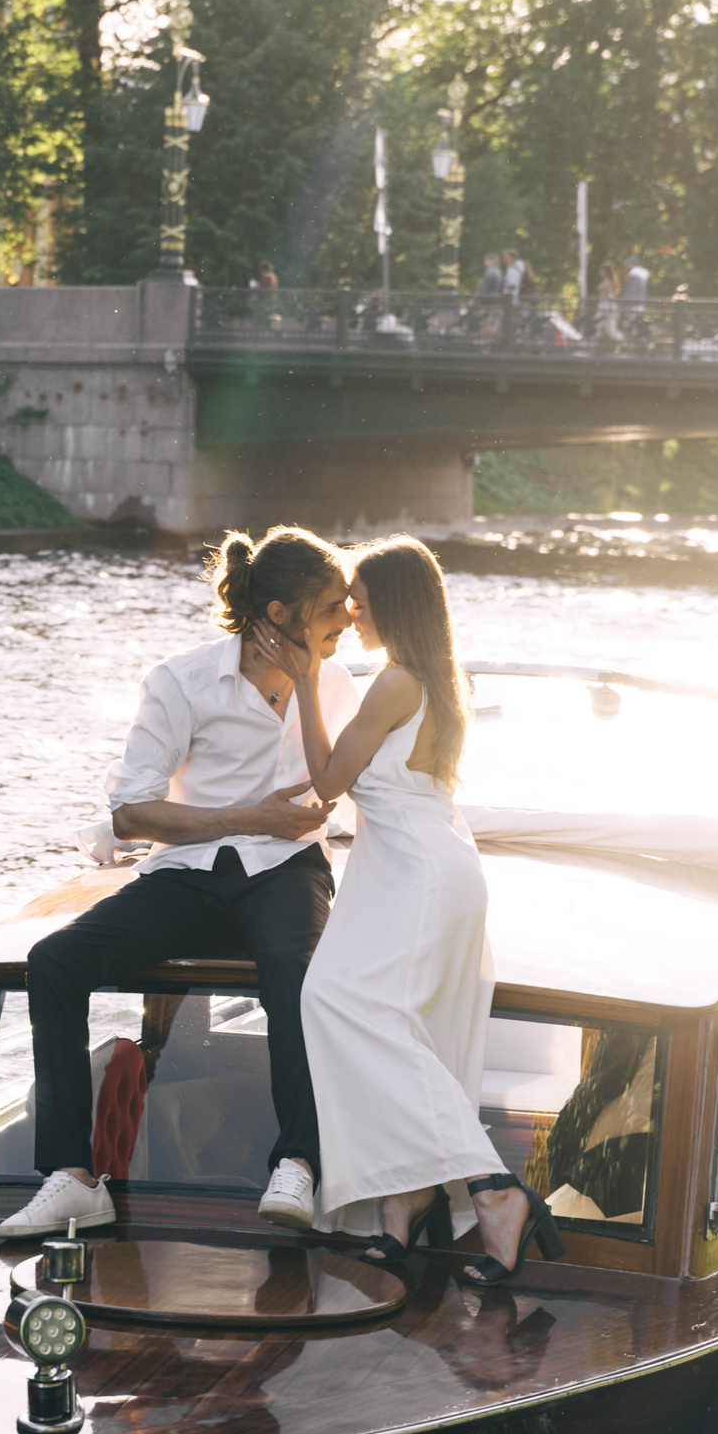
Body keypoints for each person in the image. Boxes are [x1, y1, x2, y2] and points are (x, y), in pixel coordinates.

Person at [0, 527, 361, 1240]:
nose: (349, 618)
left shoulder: (338, 683)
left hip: (288, 869)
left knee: (297, 968)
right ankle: (73, 1178)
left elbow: (345, 787)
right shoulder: (182, 680)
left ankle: (298, 1162)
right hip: (188, 873)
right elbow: (131, 810)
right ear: (281, 614)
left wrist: (322, 807)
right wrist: (249, 815)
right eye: (333, 607)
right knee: (55, 961)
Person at [252, 537, 561, 1286]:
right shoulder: (433, 675)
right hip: (413, 865)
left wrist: (305, 672)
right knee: (392, 1024)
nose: (349, 608)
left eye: (360, 595)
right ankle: (403, 1209)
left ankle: (492, 1189)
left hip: (417, 874)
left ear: (395, 602)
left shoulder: (395, 681)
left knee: (345, 1004)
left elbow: (328, 780)